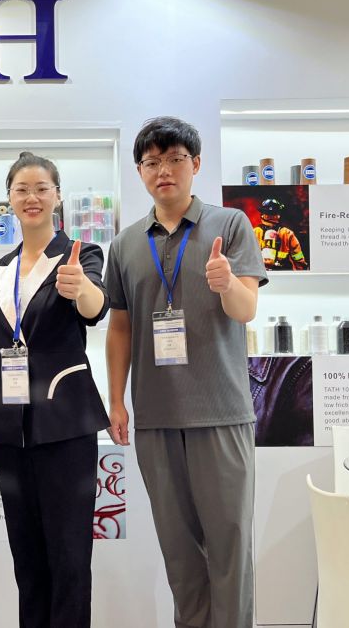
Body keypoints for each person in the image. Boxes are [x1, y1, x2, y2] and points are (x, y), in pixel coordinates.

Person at [103, 117, 267, 628]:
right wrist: (116, 399)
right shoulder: (125, 244)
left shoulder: (230, 225)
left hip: (221, 412)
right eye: (152, 162)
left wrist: (227, 283)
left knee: (230, 547)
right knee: (179, 553)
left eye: (175, 159)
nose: (164, 171)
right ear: (139, 171)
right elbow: (120, 328)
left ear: (195, 164)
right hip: (156, 417)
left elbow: (246, 309)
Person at [0, 152, 109, 628]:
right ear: (9, 199)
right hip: (9, 430)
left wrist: (81, 289)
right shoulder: (0, 268)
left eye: (41, 188)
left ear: (57, 195)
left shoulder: (81, 255)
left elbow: (96, 308)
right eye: (21, 189)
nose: (31, 197)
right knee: (27, 559)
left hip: (65, 426)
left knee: (69, 557)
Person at [253, 198, 307, 270]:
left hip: (260, 272)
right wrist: (302, 269)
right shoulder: (287, 233)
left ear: (263, 215)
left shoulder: (255, 232)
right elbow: (298, 256)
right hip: (282, 271)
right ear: (278, 215)